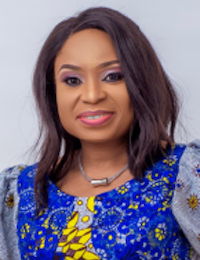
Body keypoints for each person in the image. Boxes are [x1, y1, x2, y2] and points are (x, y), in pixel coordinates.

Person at [0, 6, 199, 260]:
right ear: (52, 94)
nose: (93, 95)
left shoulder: (187, 175)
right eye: (72, 80)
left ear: (141, 81)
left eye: (113, 76)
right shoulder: (22, 193)